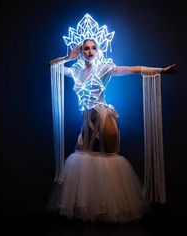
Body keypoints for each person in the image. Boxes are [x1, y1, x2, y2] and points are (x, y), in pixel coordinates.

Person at [47, 38, 176, 223]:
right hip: (87, 120)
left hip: (103, 117)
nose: (90, 51)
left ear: (99, 50)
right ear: (81, 52)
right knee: (85, 158)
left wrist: (160, 71)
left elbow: (132, 69)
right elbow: (52, 68)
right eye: (86, 49)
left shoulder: (104, 68)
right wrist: (68, 57)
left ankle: (111, 208)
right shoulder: (75, 71)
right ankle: (94, 207)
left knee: (108, 159)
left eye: (93, 48)